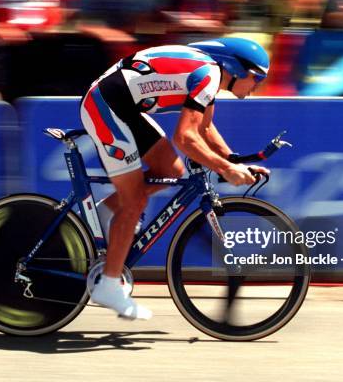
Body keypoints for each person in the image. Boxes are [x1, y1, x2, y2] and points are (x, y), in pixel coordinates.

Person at [79, 37, 271, 320]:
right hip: (106, 107)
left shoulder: (210, 75)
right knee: (135, 201)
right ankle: (108, 285)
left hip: (124, 106)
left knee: (171, 172)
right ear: (238, 69)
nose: (256, 88)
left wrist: (234, 162)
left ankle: (106, 214)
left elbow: (204, 129)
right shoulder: (209, 74)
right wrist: (225, 170)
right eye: (256, 79)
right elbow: (185, 138)